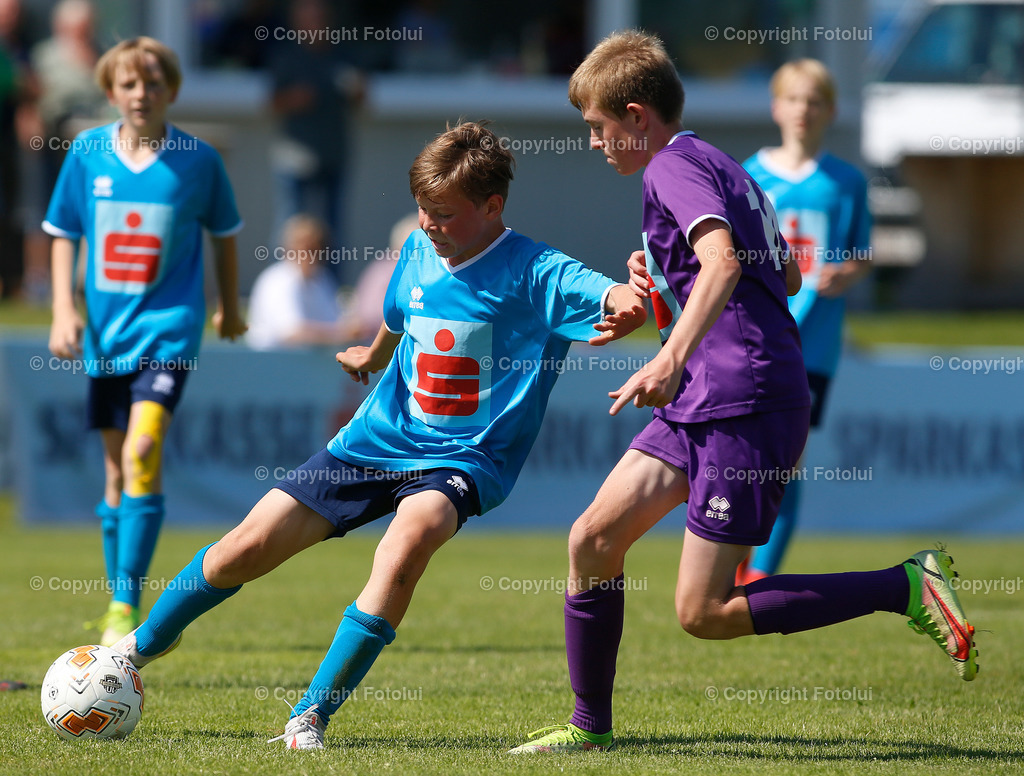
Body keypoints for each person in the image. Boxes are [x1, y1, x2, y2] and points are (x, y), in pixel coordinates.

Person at [109, 121, 647, 749]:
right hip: (374, 441)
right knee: (244, 548)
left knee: (406, 543)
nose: (427, 225)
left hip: (463, 459)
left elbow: (609, 295)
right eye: (422, 209)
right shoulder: (419, 248)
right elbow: (400, 313)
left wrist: (629, 299)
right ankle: (130, 653)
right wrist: (373, 353)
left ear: (492, 206)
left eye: (443, 214)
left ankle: (308, 716)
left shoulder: (537, 270)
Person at [511, 30, 977, 754]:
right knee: (594, 540)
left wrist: (669, 354)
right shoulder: (719, 162)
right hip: (708, 394)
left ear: (636, 115)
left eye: (598, 127)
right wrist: (664, 268)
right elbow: (783, 275)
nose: (595, 143)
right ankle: (589, 728)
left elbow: (725, 264)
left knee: (704, 611)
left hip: (744, 399)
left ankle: (906, 586)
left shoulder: (670, 167)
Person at [45, 36, 247, 647]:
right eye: (129, 84)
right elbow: (63, 232)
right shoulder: (86, 154)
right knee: (115, 474)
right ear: (110, 92)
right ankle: (119, 603)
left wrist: (229, 305)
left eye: (153, 83)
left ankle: (124, 604)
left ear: (172, 91)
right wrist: (63, 308)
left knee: (142, 450)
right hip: (107, 338)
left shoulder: (198, 161)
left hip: (169, 332)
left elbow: (225, 233)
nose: (141, 94)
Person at [738, 59, 873, 584]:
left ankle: (758, 578)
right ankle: (731, 564)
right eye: (794, 99)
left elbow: (862, 252)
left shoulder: (847, 181)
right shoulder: (748, 175)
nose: (803, 110)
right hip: (751, 340)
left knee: (786, 460)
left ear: (831, 110)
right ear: (776, 107)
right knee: (741, 454)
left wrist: (849, 271)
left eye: (814, 101)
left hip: (811, 345)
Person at [268, 0, 363, 283]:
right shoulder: (286, 55)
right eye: (309, 18)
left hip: (333, 154)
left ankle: (330, 289)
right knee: (291, 223)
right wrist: (295, 99)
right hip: (293, 158)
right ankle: (285, 285)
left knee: (333, 228)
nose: (315, 24)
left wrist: (358, 89)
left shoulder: (342, 56)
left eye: (320, 17)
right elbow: (272, 102)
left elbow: (362, 100)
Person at [245, 213, 347, 350]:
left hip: (307, 360)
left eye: (316, 248)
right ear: (288, 248)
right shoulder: (278, 280)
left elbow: (336, 323)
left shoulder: (323, 278)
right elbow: (292, 333)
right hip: (271, 360)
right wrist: (342, 334)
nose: (309, 254)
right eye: (304, 247)